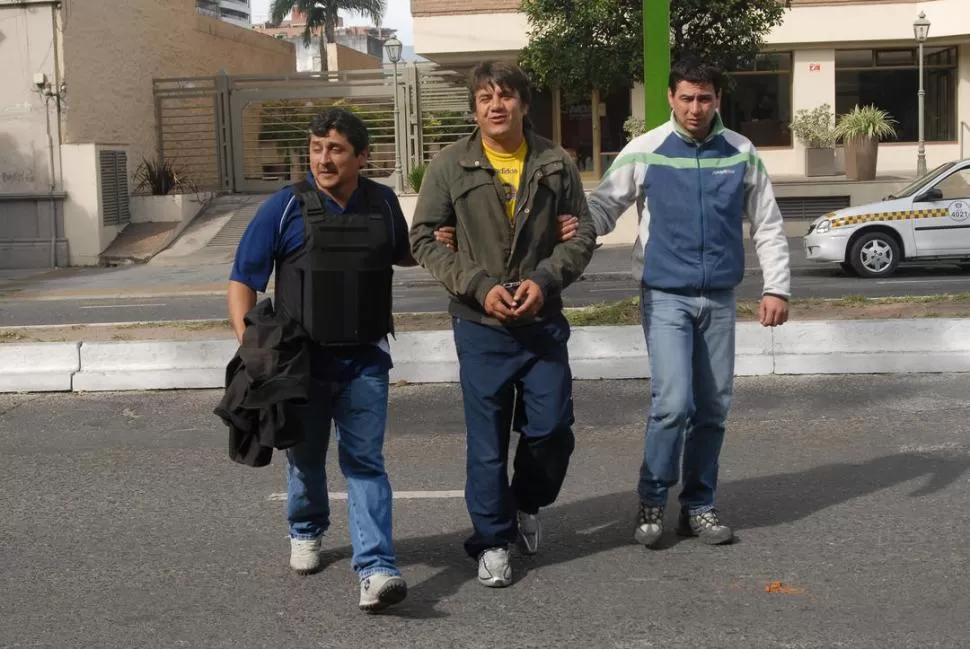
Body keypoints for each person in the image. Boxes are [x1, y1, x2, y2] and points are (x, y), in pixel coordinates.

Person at [586, 56, 791, 547]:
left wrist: (776, 286)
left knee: (714, 408)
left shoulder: (741, 151)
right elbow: (602, 207)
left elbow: (767, 224)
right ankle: (653, 499)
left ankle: (698, 505)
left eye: (704, 98)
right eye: (686, 98)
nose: (695, 108)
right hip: (664, 297)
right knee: (673, 404)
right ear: (671, 99)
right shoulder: (646, 149)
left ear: (717, 99)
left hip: (719, 298)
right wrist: (566, 237)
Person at [410, 60, 597, 588]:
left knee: (552, 429)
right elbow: (423, 236)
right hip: (479, 324)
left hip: (541, 323)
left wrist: (546, 278)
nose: (497, 106)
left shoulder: (555, 162)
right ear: (475, 107)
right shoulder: (449, 165)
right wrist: (476, 285)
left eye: (506, 96)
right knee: (487, 443)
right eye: (485, 97)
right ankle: (492, 539)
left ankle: (527, 503)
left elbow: (582, 234)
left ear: (524, 103)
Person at [226, 107, 413, 612]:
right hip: (301, 365)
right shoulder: (284, 207)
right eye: (315, 148)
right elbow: (244, 279)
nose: (323, 159)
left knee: (365, 463)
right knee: (306, 461)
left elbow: (406, 251)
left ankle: (376, 568)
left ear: (362, 156)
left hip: (366, 362)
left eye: (335, 149)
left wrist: (451, 235)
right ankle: (305, 528)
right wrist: (253, 349)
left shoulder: (384, 202)